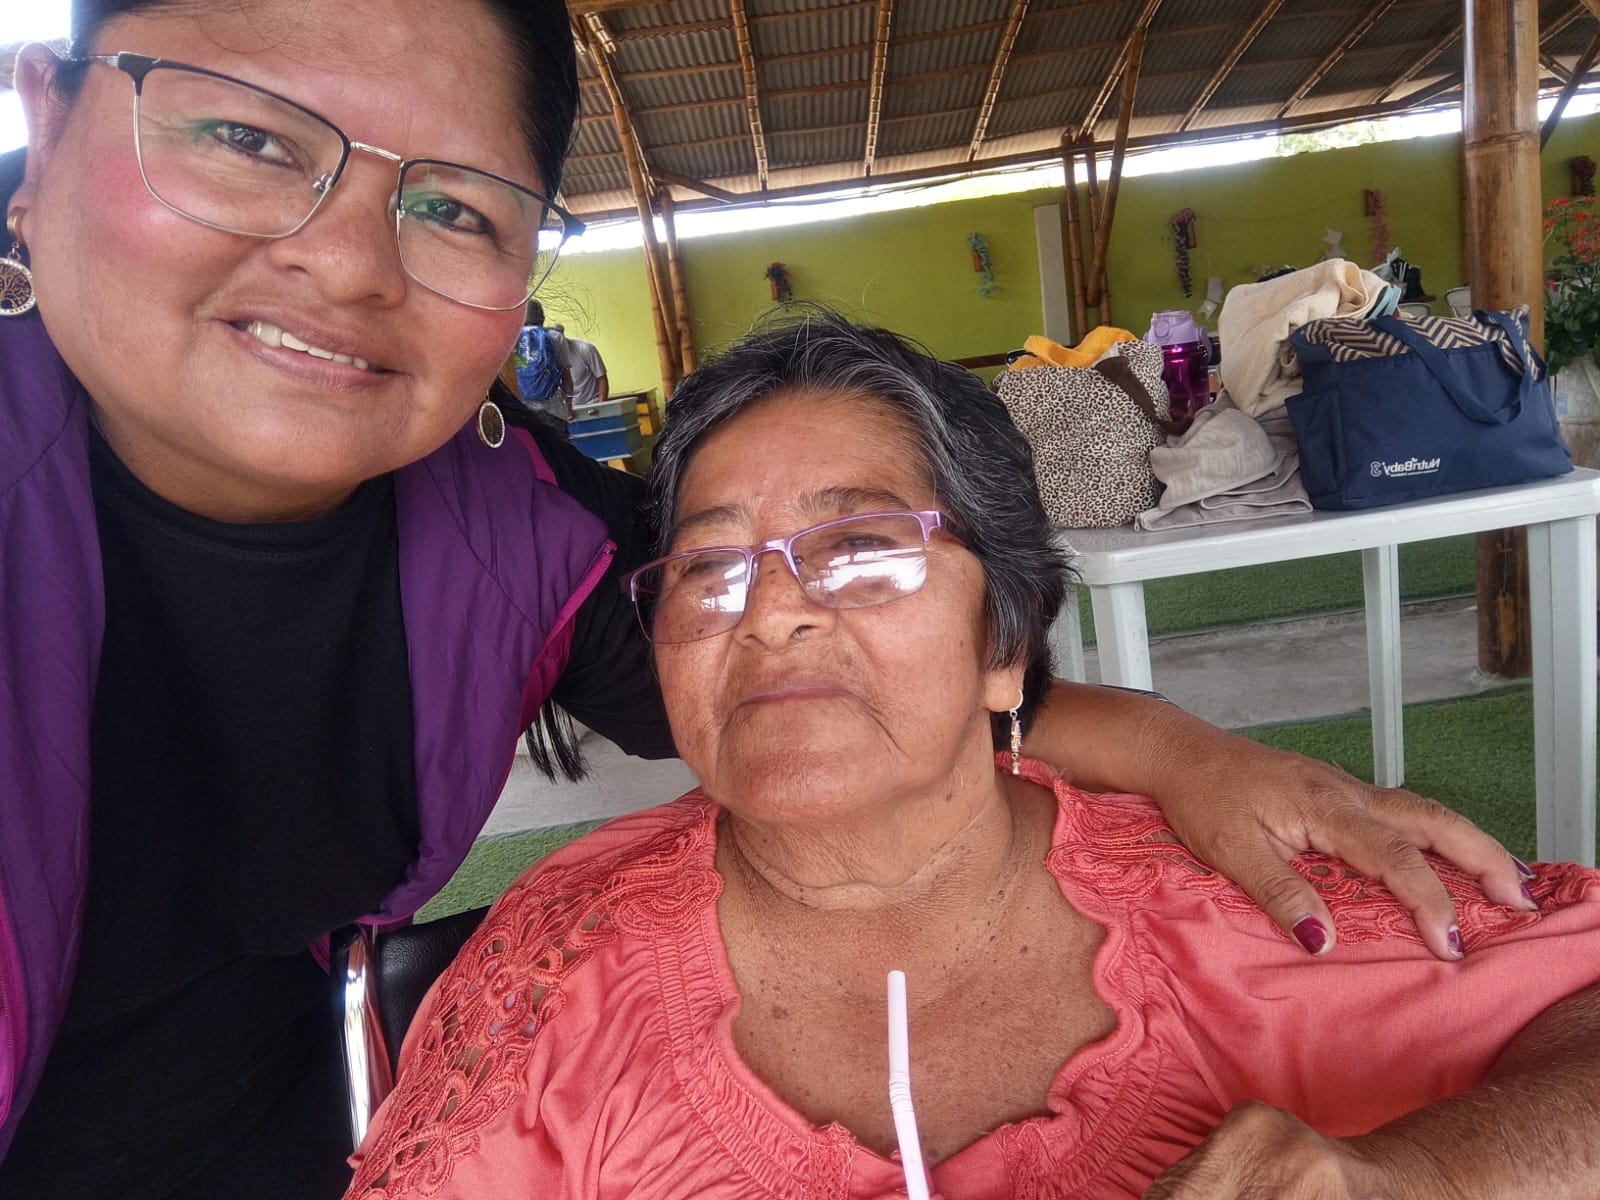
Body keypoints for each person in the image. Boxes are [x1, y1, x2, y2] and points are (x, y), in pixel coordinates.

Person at [0, 1, 1529, 1193]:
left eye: (455, 207)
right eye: (248, 137)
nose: (345, 262)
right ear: (47, 120)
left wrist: (1192, 755)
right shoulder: (556, 1005)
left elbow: (822, 680)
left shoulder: (515, 528)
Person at [347, 313, 1600, 1200]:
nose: (770, 613)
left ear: (1005, 640)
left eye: (861, 548)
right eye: (712, 568)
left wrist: (1414, 1174)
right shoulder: (555, 975)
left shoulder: (1245, 894)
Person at [517, 298, 575, 422]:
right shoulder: (556, 337)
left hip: (523, 408)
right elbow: (566, 378)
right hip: (553, 406)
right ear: (542, 319)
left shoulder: (513, 339)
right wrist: (569, 408)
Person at [562, 328, 610, 409]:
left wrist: (601, 407)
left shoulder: (586, 348)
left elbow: (602, 378)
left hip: (593, 404)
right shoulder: (547, 356)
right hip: (569, 408)